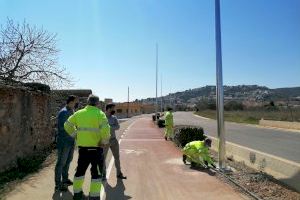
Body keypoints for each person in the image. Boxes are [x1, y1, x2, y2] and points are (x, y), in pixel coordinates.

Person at [64, 94, 110, 200]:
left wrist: (75, 134)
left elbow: (67, 125)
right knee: (96, 175)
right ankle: (94, 196)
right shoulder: (100, 114)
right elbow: (106, 131)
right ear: (98, 103)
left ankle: (77, 194)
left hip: (83, 150)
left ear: (88, 102)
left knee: (80, 172)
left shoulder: (79, 113)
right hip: (96, 150)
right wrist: (103, 142)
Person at [55, 95, 78, 192]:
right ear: (71, 102)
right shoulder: (63, 112)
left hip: (71, 141)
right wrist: (74, 133)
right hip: (64, 142)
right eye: (75, 102)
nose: (76, 104)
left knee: (68, 161)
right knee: (61, 163)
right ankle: (58, 184)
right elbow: (62, 128)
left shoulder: (72, 111)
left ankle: (65, 179)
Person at [102, 103, 126, 181]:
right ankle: (103, 175)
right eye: (113, 108)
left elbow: (118, 127)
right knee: (103, 158)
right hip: (105, 141)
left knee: (117, 157)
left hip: (113, 140)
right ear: (108, 108)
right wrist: (111, 127)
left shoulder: (114, 118)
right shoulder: (102, 117)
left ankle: (119, 173)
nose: (114, 110)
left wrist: (109, 127)